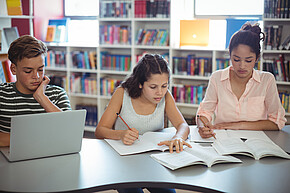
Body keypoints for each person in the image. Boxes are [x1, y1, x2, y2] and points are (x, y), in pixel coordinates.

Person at [95, 53, 191, 193]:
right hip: (124, 161)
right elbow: (99, 131)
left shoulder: (166, 95)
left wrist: (178, 137)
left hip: (153, 160)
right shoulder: (122, 93)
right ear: (140, 83)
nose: (160, 92)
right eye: (153, 87)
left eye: (164, 85)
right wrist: (121, 134)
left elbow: (183, 125)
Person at [196, 22, 287, 138]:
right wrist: (201, 126)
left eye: (248, 60)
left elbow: (277, 121)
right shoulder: (217, 78)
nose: (242, 66)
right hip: (223, 139)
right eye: (236, 59)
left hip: (257, 142)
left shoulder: (267, 80)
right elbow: (204, 112)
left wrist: (237, 125)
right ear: (230, 55)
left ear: (257, 58)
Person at [0, 35, 71, 147]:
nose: (36, 76)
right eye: (28, 71)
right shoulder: (2, 95)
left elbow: (70, 132)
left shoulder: (57, 94)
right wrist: (39, 139)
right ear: (14, 69)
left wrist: (41, 97)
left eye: (41, 69)